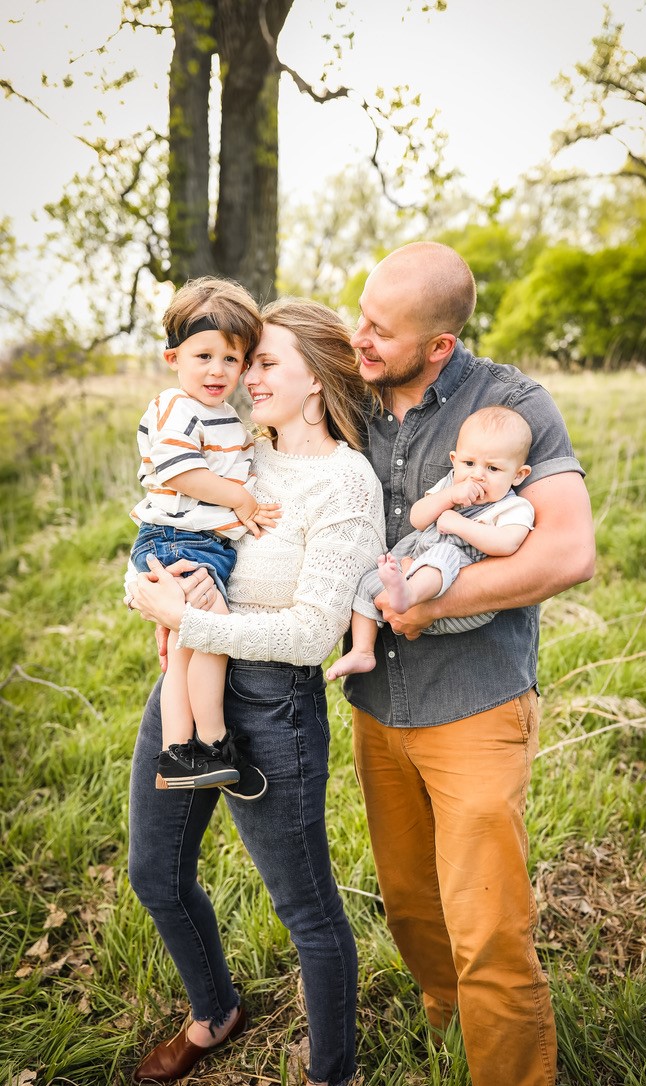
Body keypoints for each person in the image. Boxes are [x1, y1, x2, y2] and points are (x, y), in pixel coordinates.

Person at [343, 242, 596, 1086]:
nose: (360, 338)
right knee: (412, 906)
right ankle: (450, 1033)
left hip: (476, 705)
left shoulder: (514, 406)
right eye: (360, 315)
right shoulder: (353, 395)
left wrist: (430, 601)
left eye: (381, 329)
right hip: (377, 706)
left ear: (440, 345)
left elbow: (567, 552)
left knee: (488, 926)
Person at [127, 296, 386, 1086]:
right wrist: (146, 584)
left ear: (316, 377)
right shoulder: (240, 452)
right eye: (241, 360)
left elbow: (314, 636)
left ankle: (330, 1073)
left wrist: (194, 622)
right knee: (154, 873)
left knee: (304, 911)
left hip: (275, 709)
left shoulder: (346, 485)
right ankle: (215, 1012)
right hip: (185, 682)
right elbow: (168, 525)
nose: (243, 376)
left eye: (263, 361)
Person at [127, 277, 276, 797]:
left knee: (188, 651)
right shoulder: (176, 407)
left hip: (194, 543)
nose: (218, 370)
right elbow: (177, 472)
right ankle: (213, 742)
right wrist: (240, 501)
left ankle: (177, 752)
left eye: (231, 359)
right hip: (174, 540)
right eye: (204, 356)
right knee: (211, 637)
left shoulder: (224, 416)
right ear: (174, 358)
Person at [327, 404, 534, 680]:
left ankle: (408, 595)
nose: (477, 475)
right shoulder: (450, 485)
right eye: (469, 463)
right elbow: (418, 518)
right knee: (368, 580)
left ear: (519, 475)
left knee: (444, 554)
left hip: (456, 595)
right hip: (415, 569)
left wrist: (460, 523)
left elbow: (506, 544)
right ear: (454, 459)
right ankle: (363, 650)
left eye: (493, 468)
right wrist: (449, 497)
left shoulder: (513, 507)